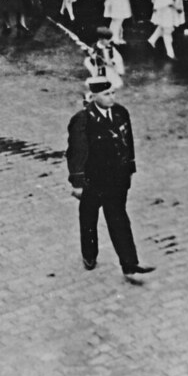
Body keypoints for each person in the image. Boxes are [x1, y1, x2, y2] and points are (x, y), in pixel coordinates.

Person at [66, 77, 154, 283]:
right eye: (106, 94)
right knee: (89, 219)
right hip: (92, 181)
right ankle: (89, 255)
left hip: (116, 180)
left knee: (119, 220)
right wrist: (77, 184)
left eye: (113, 93)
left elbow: (127, 142)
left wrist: (130, 168)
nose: (111, 97)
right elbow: (76, 153)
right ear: (94, 96)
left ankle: (130, 264)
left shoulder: (121, 113)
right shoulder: (83, 119)